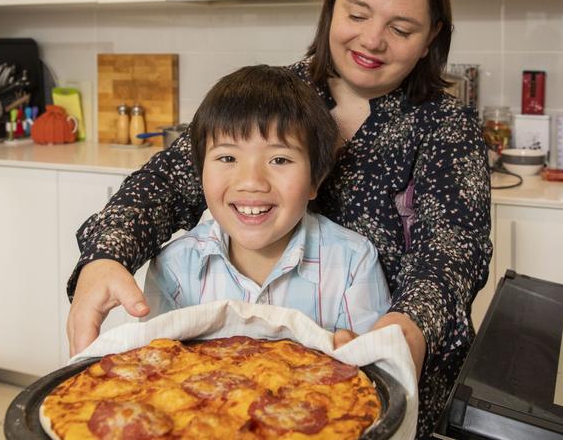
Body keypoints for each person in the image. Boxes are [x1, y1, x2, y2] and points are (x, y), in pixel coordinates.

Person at [67, 0, 492, 437]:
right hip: (237, 389)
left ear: (432, 37)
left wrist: (407, 329)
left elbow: (452, 254)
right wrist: (104, 255)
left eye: (401, 28)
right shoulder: (276, 96)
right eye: (356, 15)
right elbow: (164, 182)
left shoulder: (446, 126)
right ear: (331, 8)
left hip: (382, 385)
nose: (372, 40)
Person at [142, 65, 391, 336]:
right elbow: (157, 363)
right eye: (228, 158)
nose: (251, 182)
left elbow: (371, 368)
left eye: (279, 160)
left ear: (314, 181)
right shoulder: (174, 267)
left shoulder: (354, 263)